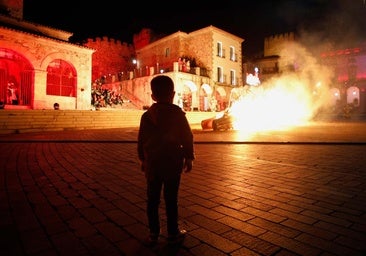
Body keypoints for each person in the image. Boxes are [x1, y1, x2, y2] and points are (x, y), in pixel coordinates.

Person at [137, 75, 195, 246]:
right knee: (171, 199)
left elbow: (141, 140)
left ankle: (154, 232)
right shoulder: (178, 114)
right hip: (172, 163)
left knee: (152, 199)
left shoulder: (146, 116)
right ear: (173, 94)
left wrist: (143, 159)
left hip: (153, 164)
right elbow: (187, 137)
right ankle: (172, 232)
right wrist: (189, 157)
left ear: (153, 96)